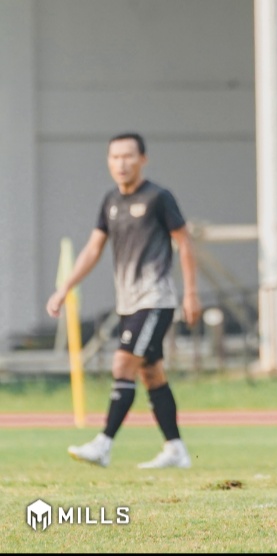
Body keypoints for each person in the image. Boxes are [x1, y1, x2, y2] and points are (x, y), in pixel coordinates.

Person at [48, 132, 200, 470]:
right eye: (115, 157)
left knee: (122, 365)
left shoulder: (159, 198)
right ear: (108, 161)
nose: (121, 163)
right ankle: (175, 448)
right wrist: (65, 288)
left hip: (155, 299)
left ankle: (103, 444)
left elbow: (185, 244)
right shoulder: (110, 201)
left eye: (128, 156)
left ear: (143, 159)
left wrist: (190, 293)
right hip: (129, 303)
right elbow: (92, 249)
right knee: (152, 374)